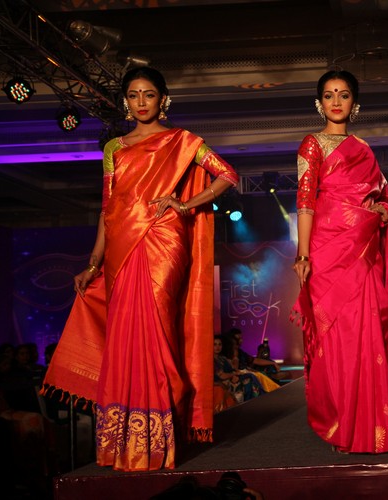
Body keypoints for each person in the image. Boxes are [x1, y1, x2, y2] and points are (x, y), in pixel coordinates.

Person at [43, 67, 239, 471]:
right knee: (124, 337)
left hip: (162, 240)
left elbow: (228, 175)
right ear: (125, 101)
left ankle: (162, 437)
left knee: (158, 332)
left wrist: (185, 204)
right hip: (120, 248)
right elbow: (108, 208)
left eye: (149, 94)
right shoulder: (114, 147)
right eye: (133, 95)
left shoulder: (182, 141)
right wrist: (93, 263)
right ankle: (128, 442)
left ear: (162, 99)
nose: (141, 102)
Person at [291, 70, 388, 454]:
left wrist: (381, 212)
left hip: (363, 250)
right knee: (335, 340)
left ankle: (368, 423)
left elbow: (382, 197)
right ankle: (342, 423)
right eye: (329, 95)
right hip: (328, 250)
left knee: (366, 334)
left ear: (355, 104)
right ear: (319, 103)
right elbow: (305, 202)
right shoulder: (312, 144)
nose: (336, 101)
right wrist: (303, 254)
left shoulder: (363, 148)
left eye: (343, 95)